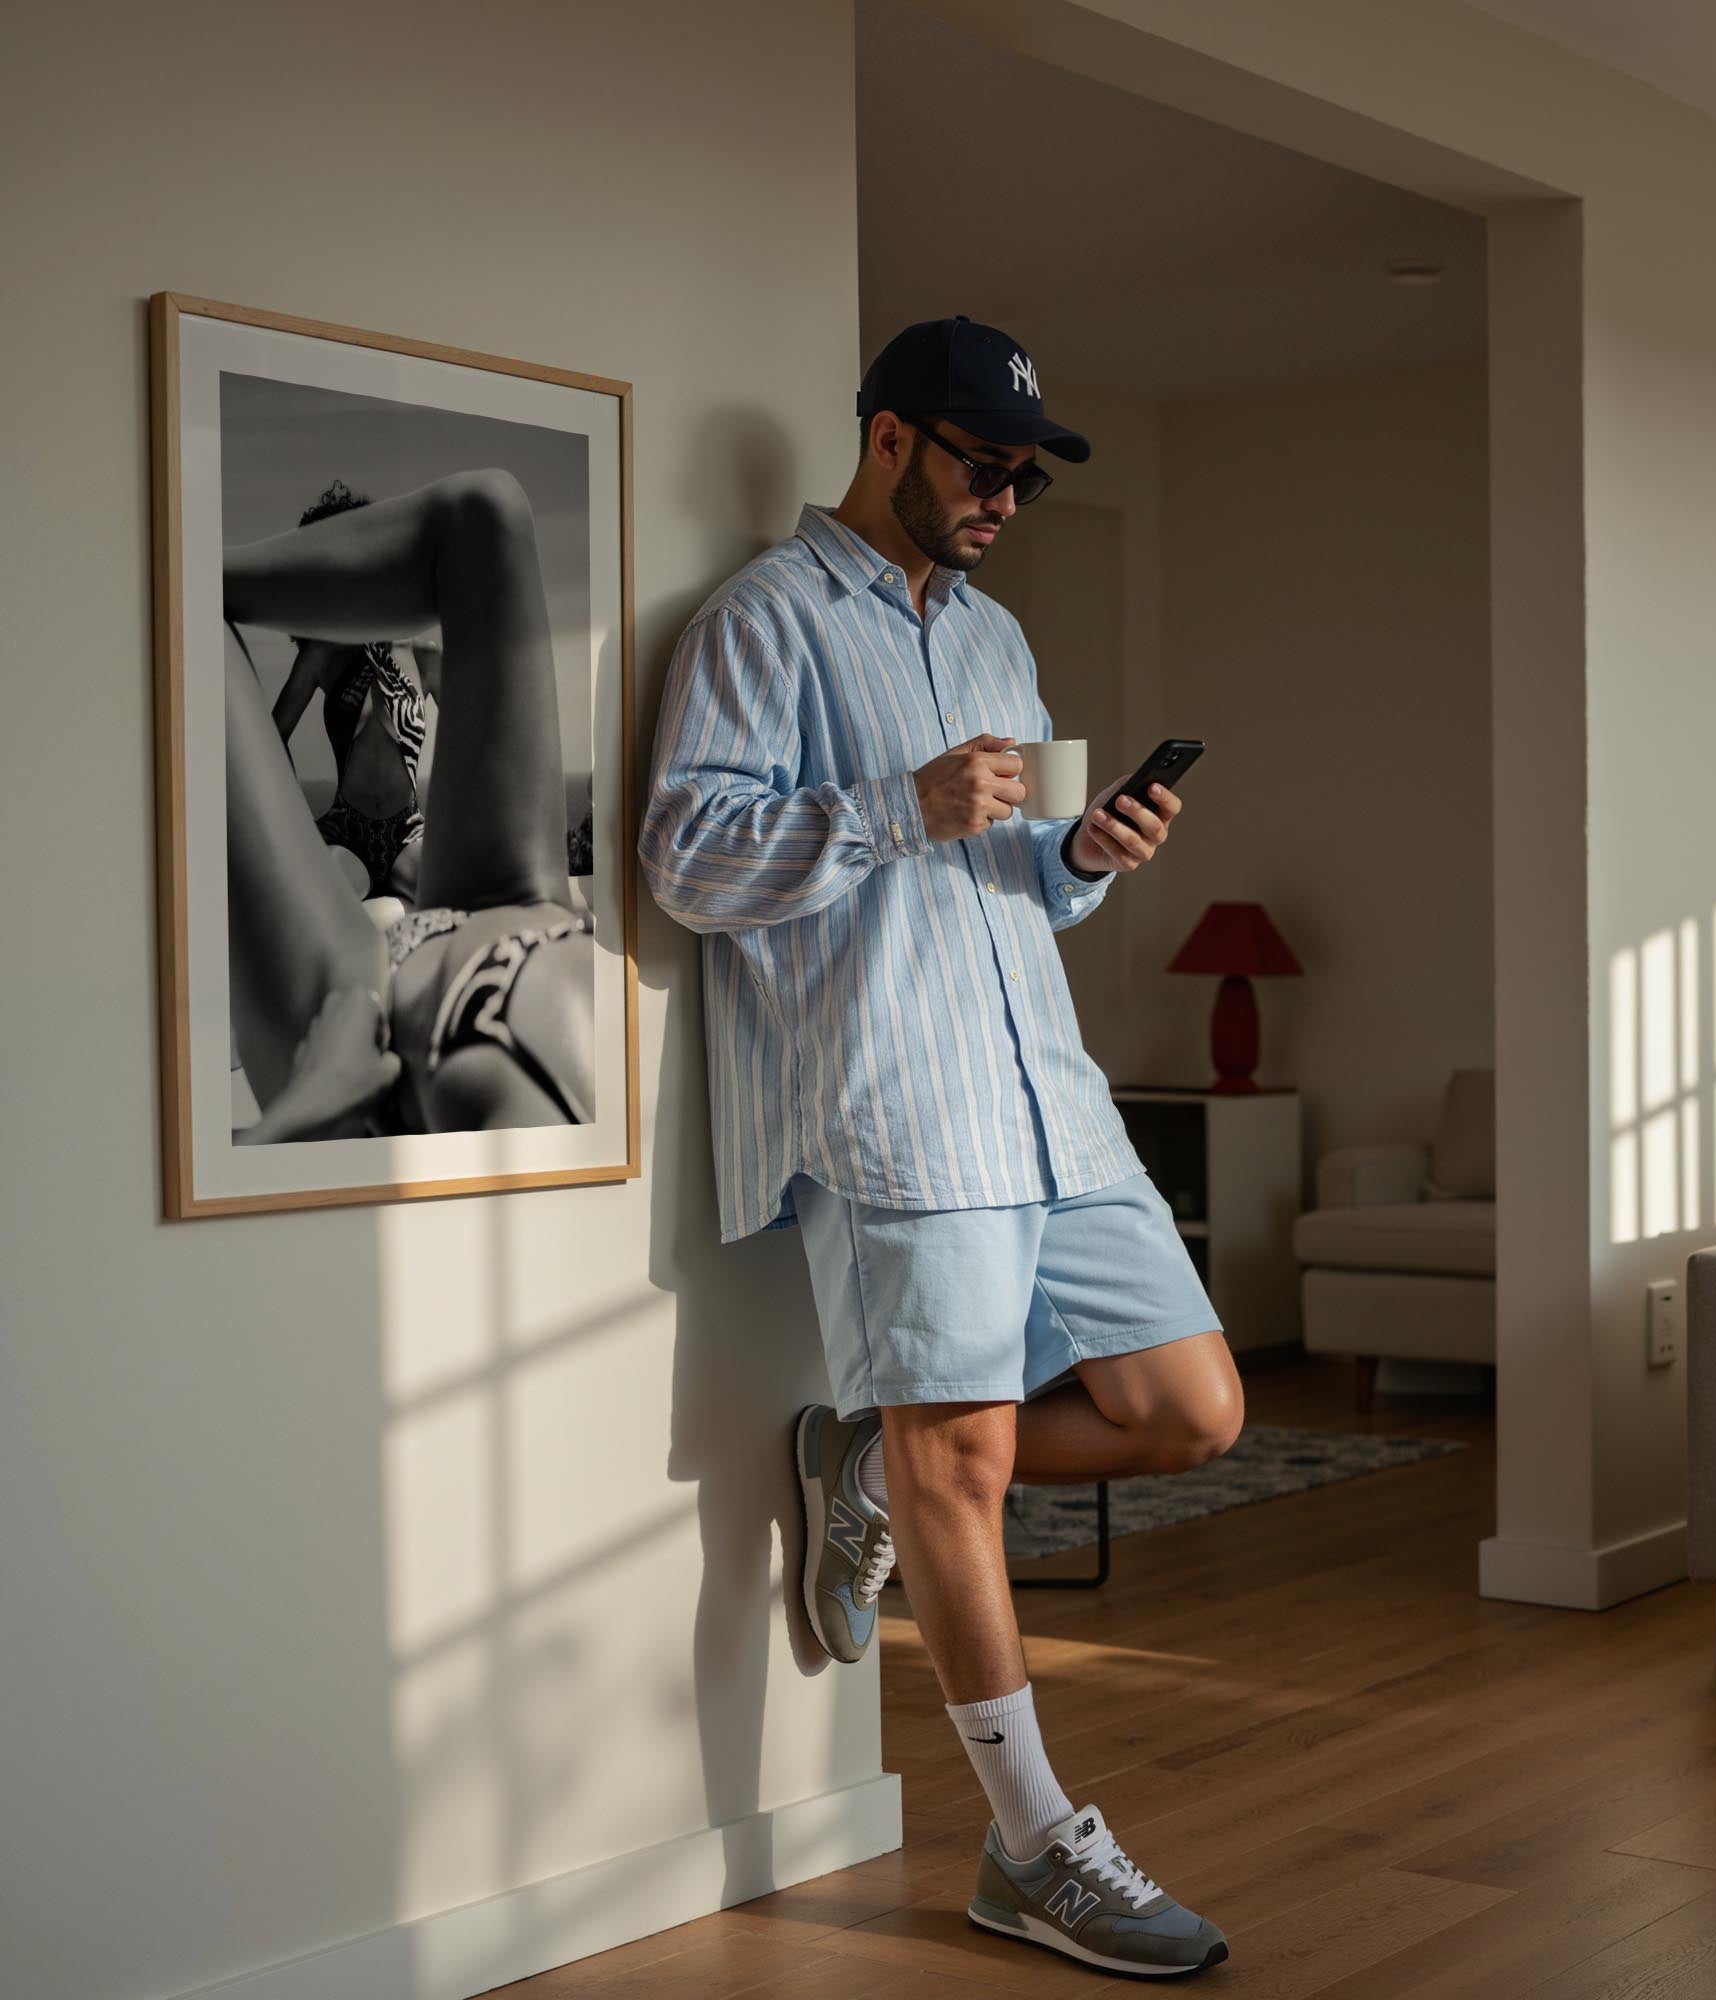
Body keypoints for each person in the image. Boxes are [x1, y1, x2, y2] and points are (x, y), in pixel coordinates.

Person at [640, 316, 1237, 1977]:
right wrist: (900, 805)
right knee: (964, 1459)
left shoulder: (996, 637)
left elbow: (1021, 868)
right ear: (890, 439)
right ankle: (1035, 1844)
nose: (1005, 499)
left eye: (1025, 477)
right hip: (895, 1104)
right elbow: (687, 861)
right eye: (985, 465)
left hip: (1053, 1087)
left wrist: (1091, 852)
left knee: (1193, 1412)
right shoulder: (761, 621)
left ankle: (869, 1460)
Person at [221, 466, 594, 1140]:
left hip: (383, 1001)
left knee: (191, 618)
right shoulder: (327, 663)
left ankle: (182, 577)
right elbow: (277, 727)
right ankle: (195, 571)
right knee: (489, 512)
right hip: (524, 906)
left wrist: (314, 1100)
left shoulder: (406, 663)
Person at [268, 481, 441, 909]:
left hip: (408, 833)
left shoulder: (423, 654)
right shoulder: (322, 653)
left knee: (447, 897)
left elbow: (471, 747)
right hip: (346, 832)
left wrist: (449, 824)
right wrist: (294, 824)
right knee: (320, 902)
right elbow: (273, 735)